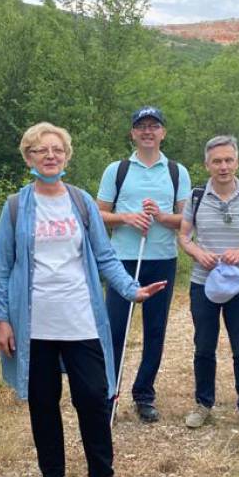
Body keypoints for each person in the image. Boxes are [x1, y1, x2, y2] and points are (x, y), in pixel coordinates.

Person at [0, 122, 167, 477]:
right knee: (43, 400)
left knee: (93, 398)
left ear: (67, 156)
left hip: (81, 319)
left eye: (57, 150)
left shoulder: (81, 201)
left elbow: (105, 257)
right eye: (41, 151)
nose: (50, 156)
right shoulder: (16, 206)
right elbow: (1, 268)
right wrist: (1, 318)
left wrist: (131, 290)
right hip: (33, 323)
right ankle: (52, 475)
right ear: (29, 158)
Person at [95, 107, 192, 423]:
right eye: (141, 126)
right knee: (116, 331)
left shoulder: (177, 172)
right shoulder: (117, 170)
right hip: (121, 261)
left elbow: (187, 220)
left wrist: (162, 217)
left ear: (163, 132)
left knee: (154, 331)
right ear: (133, 133)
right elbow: (98, 214)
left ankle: (144, 395)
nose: (148, 131)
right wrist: (127, 217)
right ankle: (109, 393)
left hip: (162, 260)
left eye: (154, 126)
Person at [178, 135, 239, 432]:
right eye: (217, 161)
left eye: (228, 160)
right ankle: (203, 404)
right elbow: (183, 236)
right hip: (203, 282)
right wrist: (198, 253)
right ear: (207, 165)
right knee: (204, 345)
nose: (223, 166)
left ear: (237, 162)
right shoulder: (196, 197)